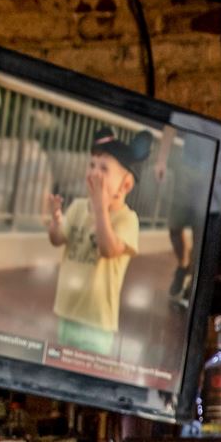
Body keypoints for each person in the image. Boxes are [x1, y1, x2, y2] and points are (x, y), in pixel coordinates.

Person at [44, 129, 146, 357]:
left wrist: (100, 208)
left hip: (97, 323)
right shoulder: (79, 207)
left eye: (103, 169)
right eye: (91, 165)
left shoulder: (127, 220)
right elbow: (58, 239)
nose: (94, 172)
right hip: (66, 312)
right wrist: (55, 219)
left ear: (125, 185)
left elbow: (109, 250)